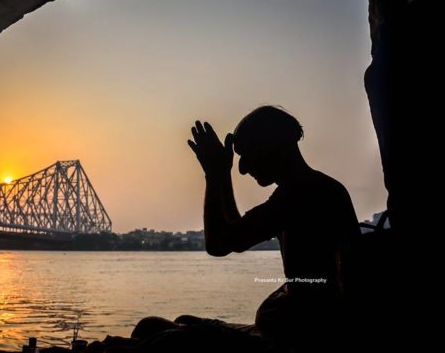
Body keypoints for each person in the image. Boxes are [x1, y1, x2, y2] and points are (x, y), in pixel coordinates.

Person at [99, 106, 360, 353]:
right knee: (169, 323)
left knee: (151, 332)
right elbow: (236, 232)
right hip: (282, 333)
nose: (243, 169)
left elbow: (218, 244)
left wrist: (214, 175)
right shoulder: (313, 189)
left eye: (247, 154)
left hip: (294, 343)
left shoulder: (299, 195)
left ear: (271, 146)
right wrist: (222, 175)